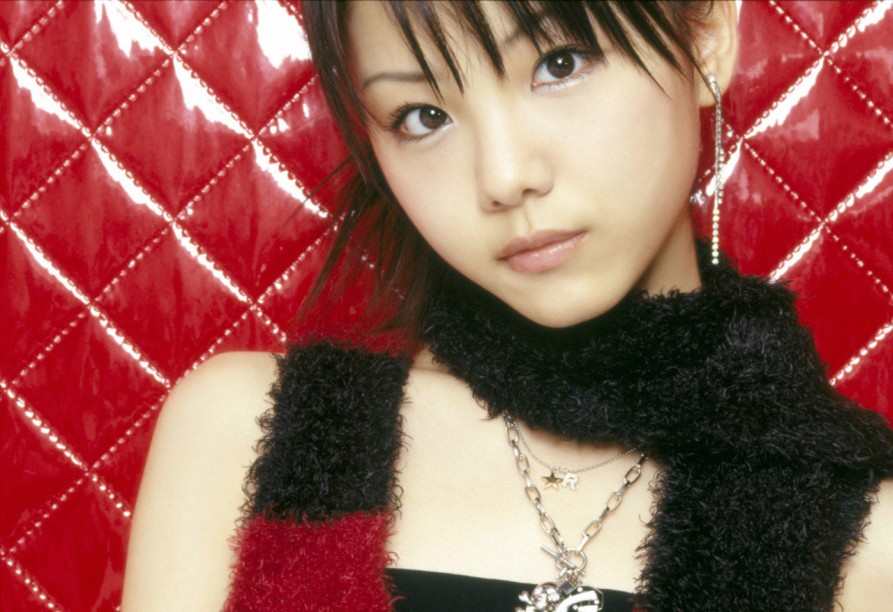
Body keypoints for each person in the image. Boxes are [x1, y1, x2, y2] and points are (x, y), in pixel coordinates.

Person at [122, 1, 893, 610]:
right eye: (422, 116)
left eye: (559, 64)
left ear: (704, 37)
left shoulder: (864, 533)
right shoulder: (246, 434)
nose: (502, 176)